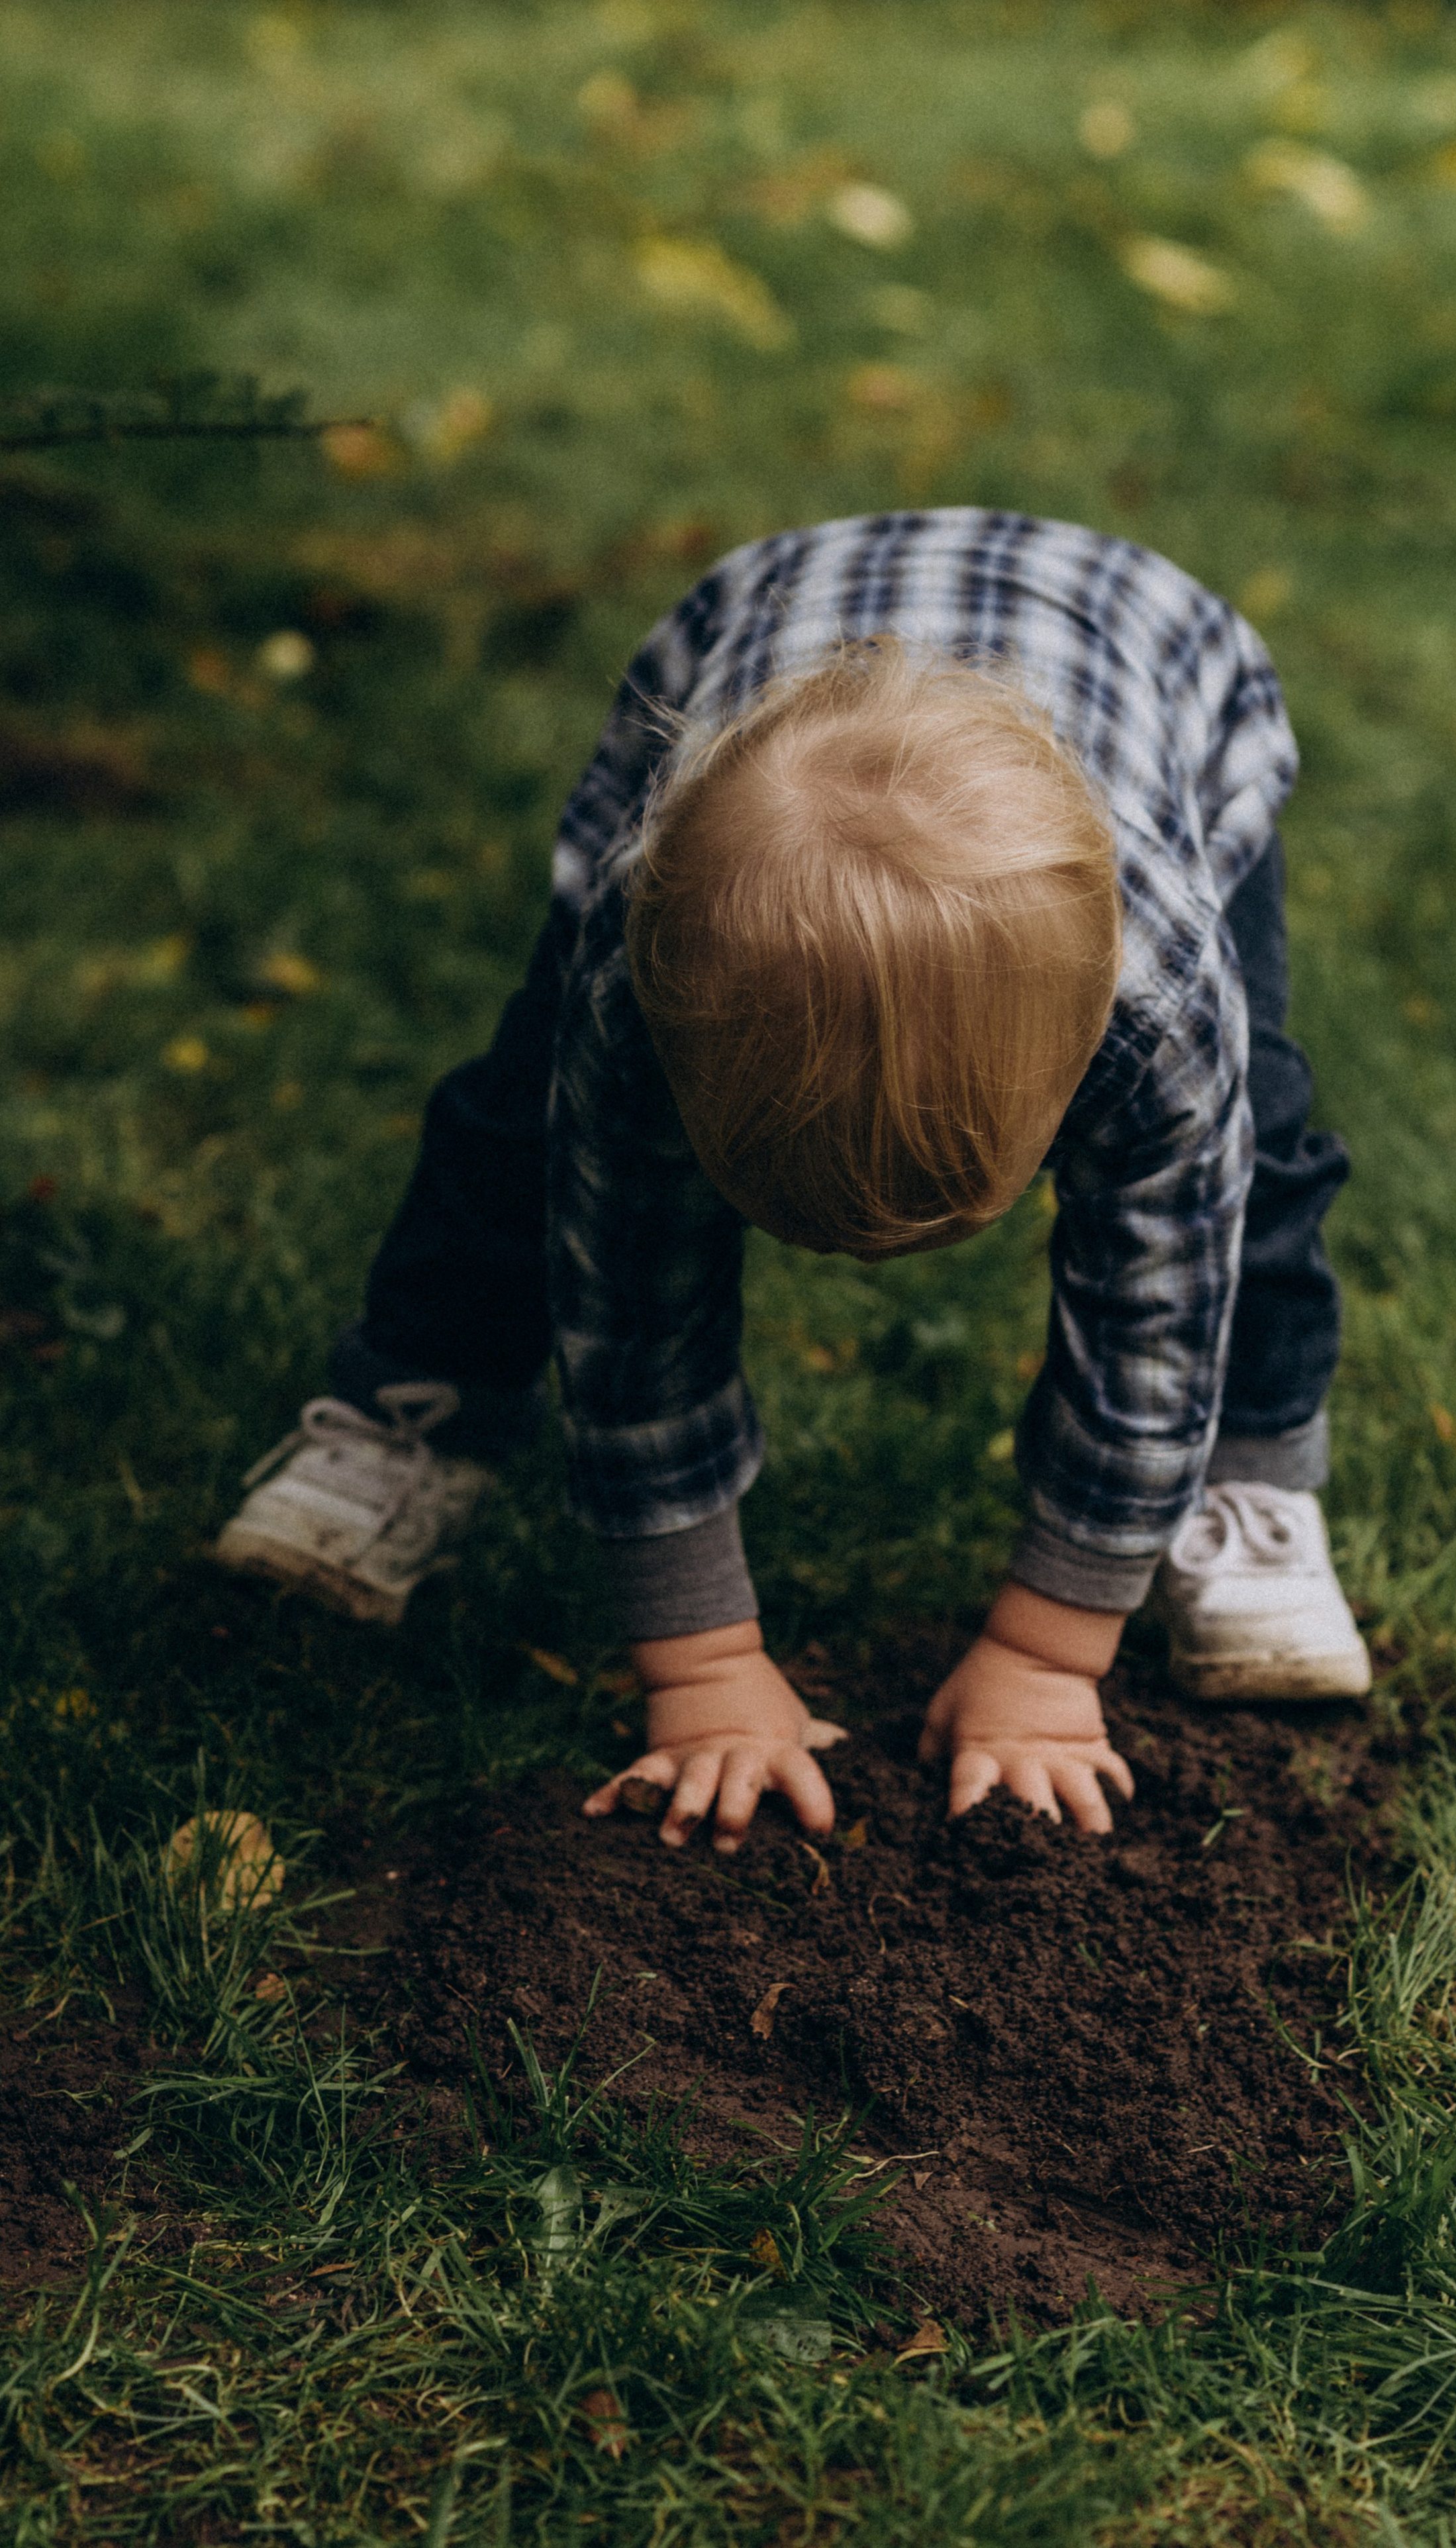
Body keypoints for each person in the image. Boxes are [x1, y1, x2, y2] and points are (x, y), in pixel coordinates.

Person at [217, 509, 1369, 1852]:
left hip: (1159, 668)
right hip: (745, 633)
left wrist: (1050, 1659)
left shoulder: (1155, 1014)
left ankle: (1253, 1467)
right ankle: (416, 1399)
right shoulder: (637, 990)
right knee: (518, 1125)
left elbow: (1148, 1324)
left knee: (1259, 1149)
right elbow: (631, 1306)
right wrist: (701, 1670)